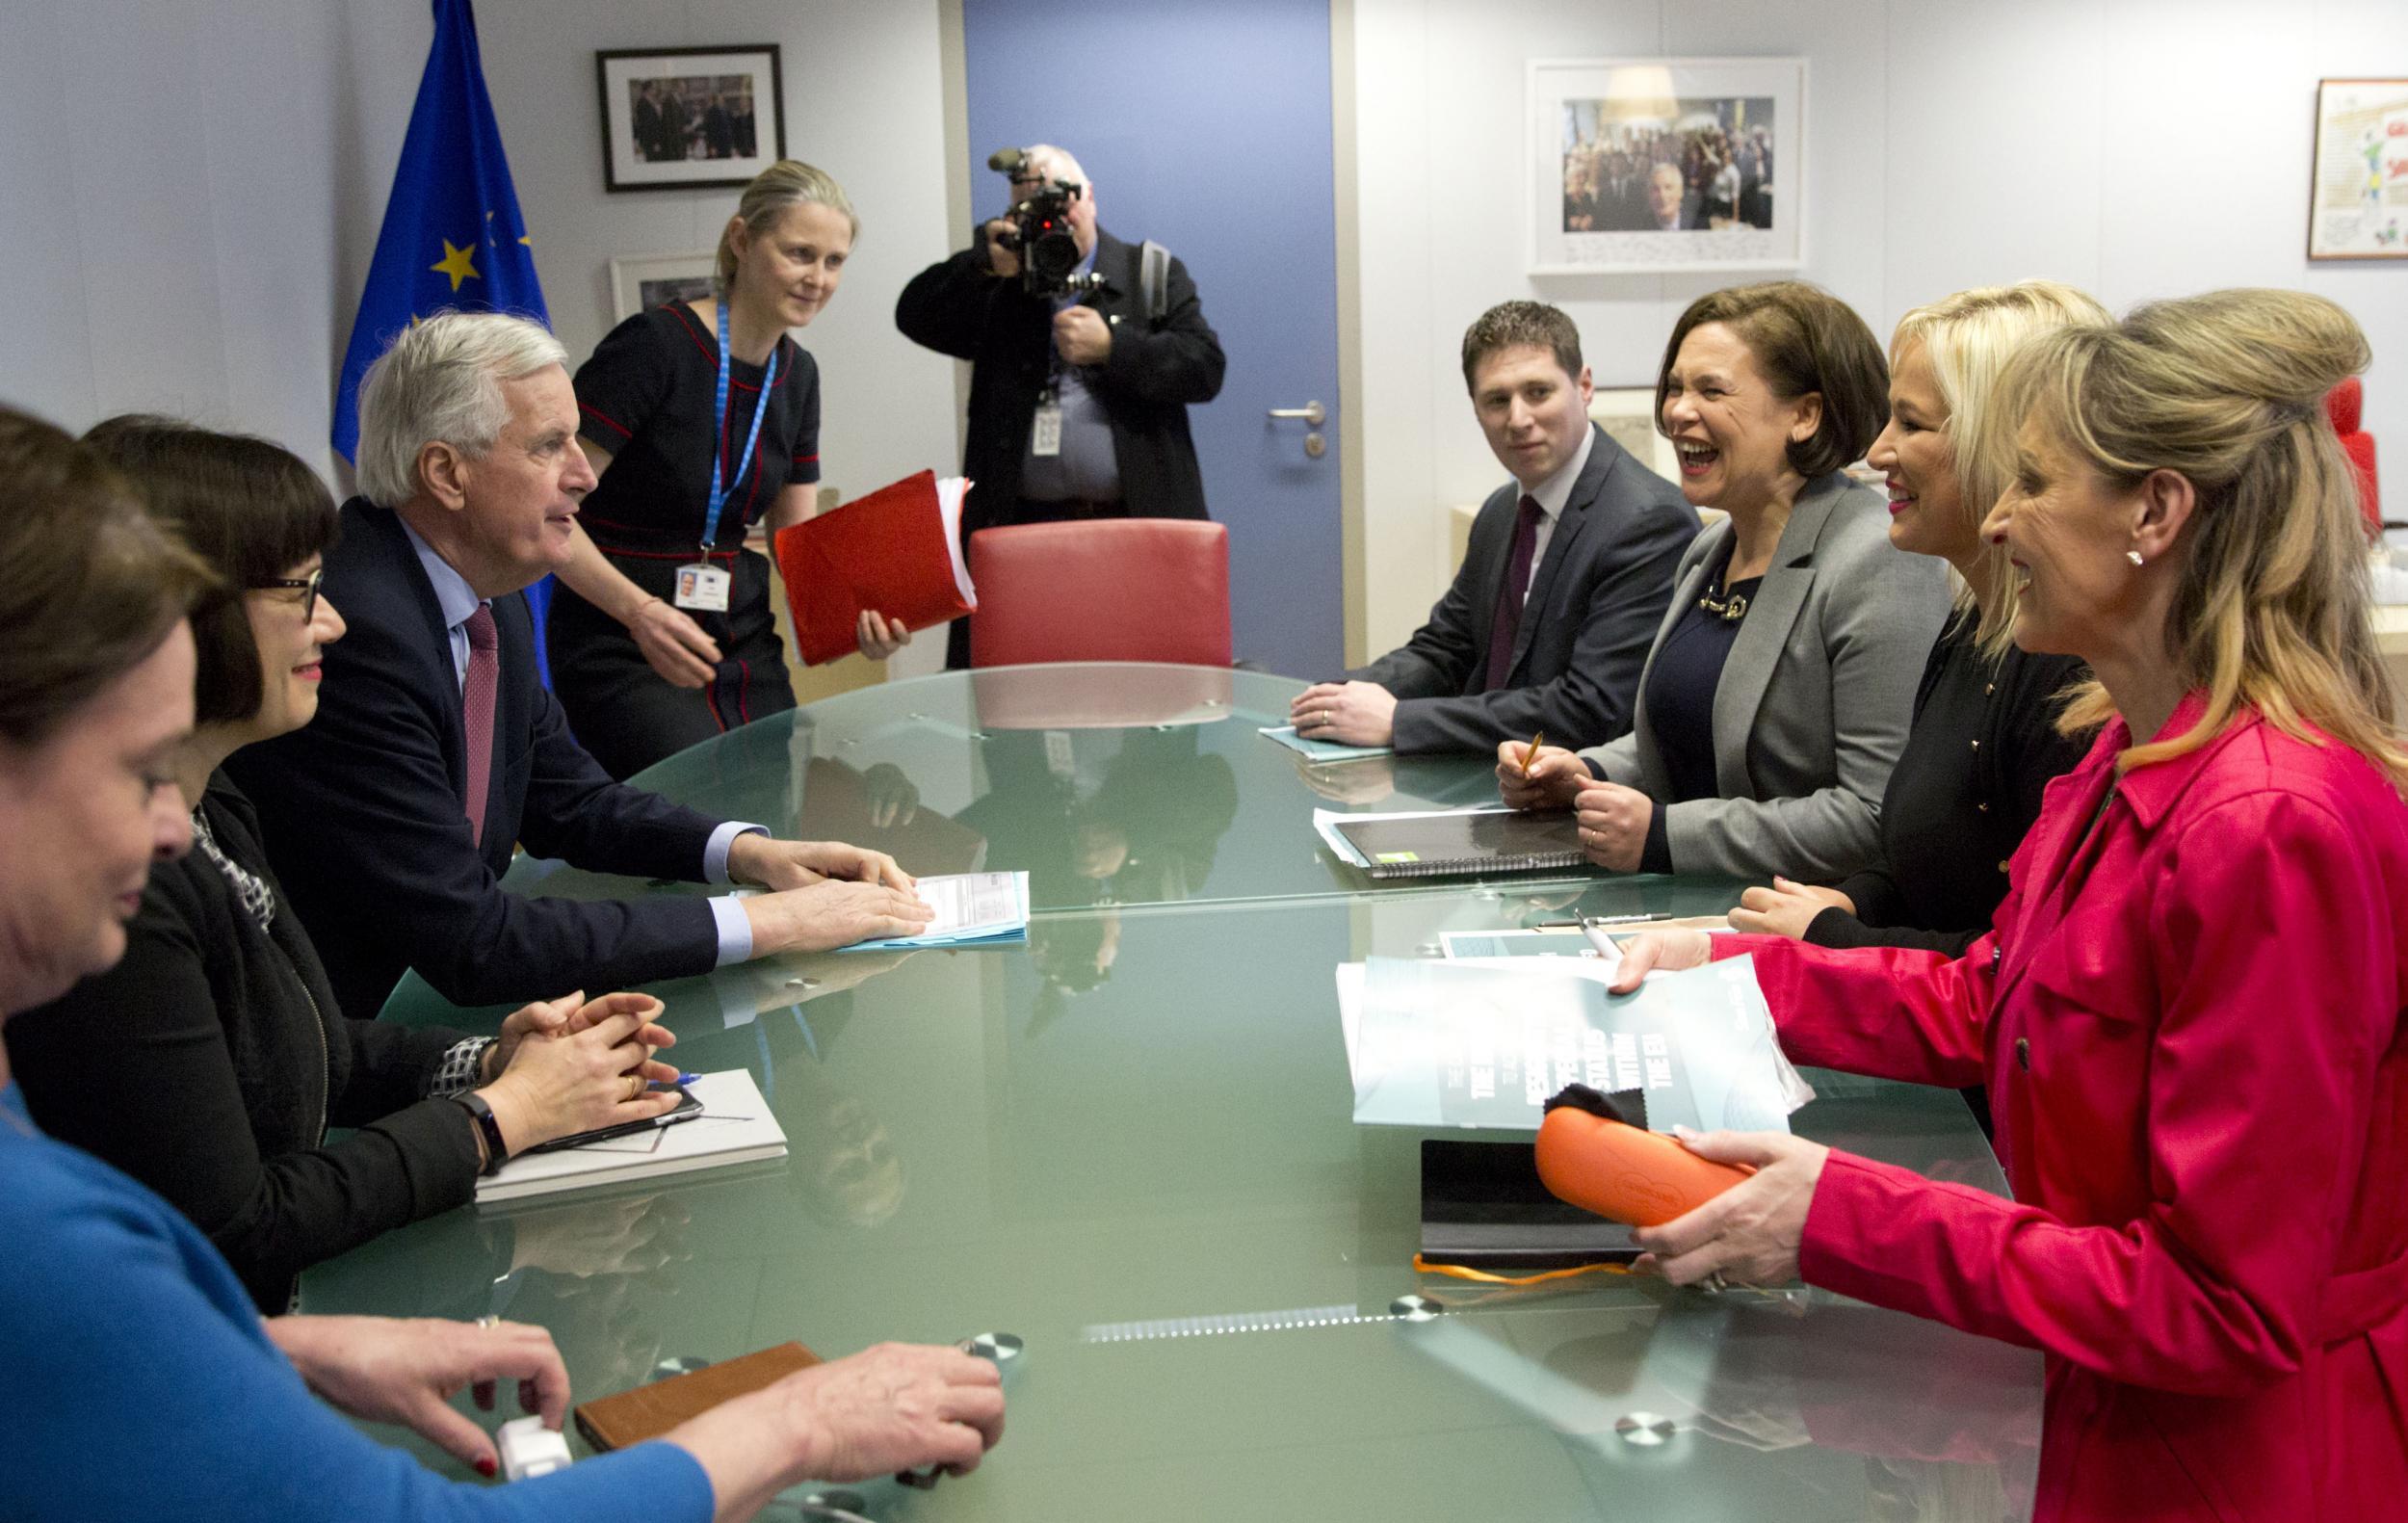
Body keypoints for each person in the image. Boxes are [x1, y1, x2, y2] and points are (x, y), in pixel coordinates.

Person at [0, 405, 1005, 1520]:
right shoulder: (35, 1228)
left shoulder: (227, 797)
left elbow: (315, 1053)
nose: (163, 827)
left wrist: (296, 1342)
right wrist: (797, 1424)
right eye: (134, 771)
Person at [1609, 289, 2408, 1521]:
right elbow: (2000, 999)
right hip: (2104, 1417)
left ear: (2155, 511)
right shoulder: (2126, 749)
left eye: (2031, 482)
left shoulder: (2268, 826)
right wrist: (1728, 972)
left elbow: (2221, 1308)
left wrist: (1841, 1215)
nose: (1997, 517)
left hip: (2240, 1468)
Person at [5, 419, 694, 1314]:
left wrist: (490, 1061)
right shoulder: (124, 880)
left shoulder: (215, 801)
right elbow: (239, 1230)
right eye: (301, 592)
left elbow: (307, 1044)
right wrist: (503, 1117)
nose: (332, 620)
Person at [226, 312, 933, 1024]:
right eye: (548, 446)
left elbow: (570, 799)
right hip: (357, 1035)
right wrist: (777, 924)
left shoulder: (484, 591)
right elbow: (476, 942)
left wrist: (755, 855)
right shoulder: (359, 630)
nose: (585, 476)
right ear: (446, 473)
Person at [1501, 281, 1949, 880]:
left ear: (1805, 415)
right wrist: (1587, 774)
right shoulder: (1711, 549)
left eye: (1712, 390)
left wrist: (1664, 835)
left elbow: (1873, 816)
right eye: (1678, 388)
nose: (1678, 411)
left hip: (1795, 931)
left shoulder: (1879, 562)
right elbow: (1692, 734)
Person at [1727, 282, 2106, 955]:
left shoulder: (2072, 673)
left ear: (2002, 447)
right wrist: (1853, 898)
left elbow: (2025, 965)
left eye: (1911, 423)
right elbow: (1925, 867)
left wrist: (1832, 933)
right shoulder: (1969, 625)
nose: (1876, 452)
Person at [550, 160, 906, 781]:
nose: (817, 278)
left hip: (740, 636)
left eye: (834, 261)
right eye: (799, 253)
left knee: (773, 813)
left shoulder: (799, 374)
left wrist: (857, 626)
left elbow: (800, 549)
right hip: (627, 635)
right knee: (694, 818)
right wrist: (638, 612)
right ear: (742, 240)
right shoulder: (654, 345)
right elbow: (545, 509)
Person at [1288, 301, 1696, 754]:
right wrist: (1341, 694)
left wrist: (1399, 721)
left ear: (1584, 386)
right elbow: (1446, 649)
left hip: (1580, 798)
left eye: (1538, 392)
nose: (1518, 419)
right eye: (1497, 400)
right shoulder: (1502, 511)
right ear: (1476, 407)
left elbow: (1591, 710)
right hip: (1492, 774)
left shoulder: (1649, 522)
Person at [894, 143, 1227, 668]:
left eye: (1062, 202)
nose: (1053, 221)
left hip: (1137, 529)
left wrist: (1117, 348)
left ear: (1090, 197)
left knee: (1152, 693)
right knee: (1020, 697)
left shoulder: (1150, 273)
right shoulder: (1000, 288)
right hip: (1021, 539)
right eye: (1032, 209)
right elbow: (914, 314)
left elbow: (1205, 368)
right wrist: (982, 263)